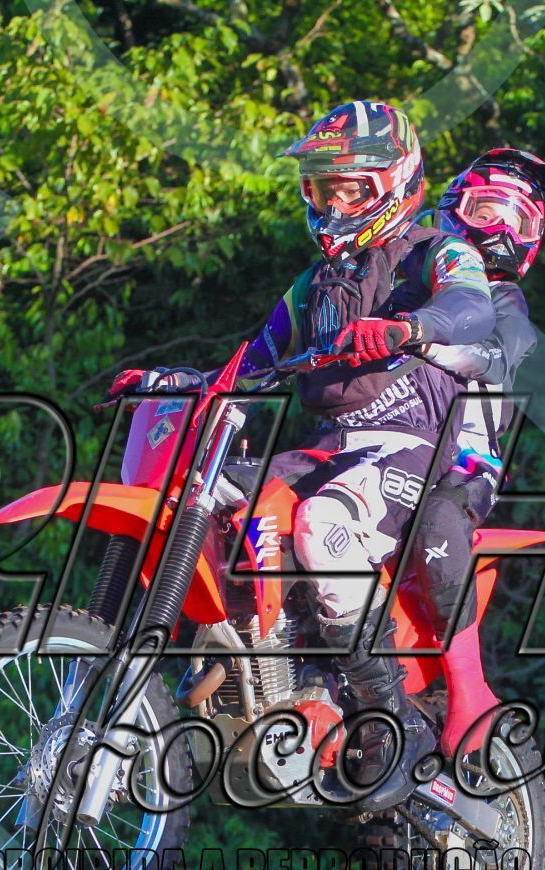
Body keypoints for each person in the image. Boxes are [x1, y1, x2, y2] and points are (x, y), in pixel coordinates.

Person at [107, 100, 497, 811]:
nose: (335, 205)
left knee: (322, 523)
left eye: (351, 188)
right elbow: (249, 365)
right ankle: (265, 665)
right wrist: (179, 383)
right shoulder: (313, 287)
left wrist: (409, 327)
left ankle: (391, 724)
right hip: (333, 449)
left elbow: (474, 307)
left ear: (395, 182)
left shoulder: (435, 250)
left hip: (411, 446)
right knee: (224, 499)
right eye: (323, 189)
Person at [407, 147, 545, 645]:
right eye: (486, 211)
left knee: (438, 521)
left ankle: (467, 679)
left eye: (519, 222)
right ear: (455, 210)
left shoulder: (504, 298)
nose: (502, 231)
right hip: (382, 439)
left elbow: (497, 355)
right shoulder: (405, 280)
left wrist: (420, 339)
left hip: (464, 461)